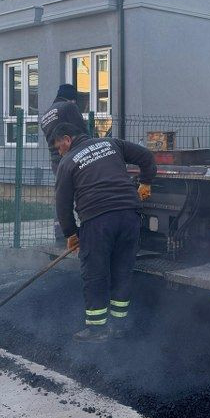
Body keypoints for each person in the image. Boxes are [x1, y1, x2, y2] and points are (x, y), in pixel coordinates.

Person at [52, 123, 156, 343]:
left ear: (67, 139)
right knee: (122, 270)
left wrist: (71, 233)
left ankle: (97, 330)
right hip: (129, 216)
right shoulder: (111, 144)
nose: (59, 151)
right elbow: (146, 156)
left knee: (96, 273)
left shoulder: (67, 162)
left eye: (58, 146)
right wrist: (145, 182)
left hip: (98, 220)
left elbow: (62, 204)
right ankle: (119, 326)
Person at [40, 84, 87, 174]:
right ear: (72, 98)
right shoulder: (69, 106)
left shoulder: (44, 116)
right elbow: (82, 131)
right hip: (73, 157)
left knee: (63, 186)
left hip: (56, 162)